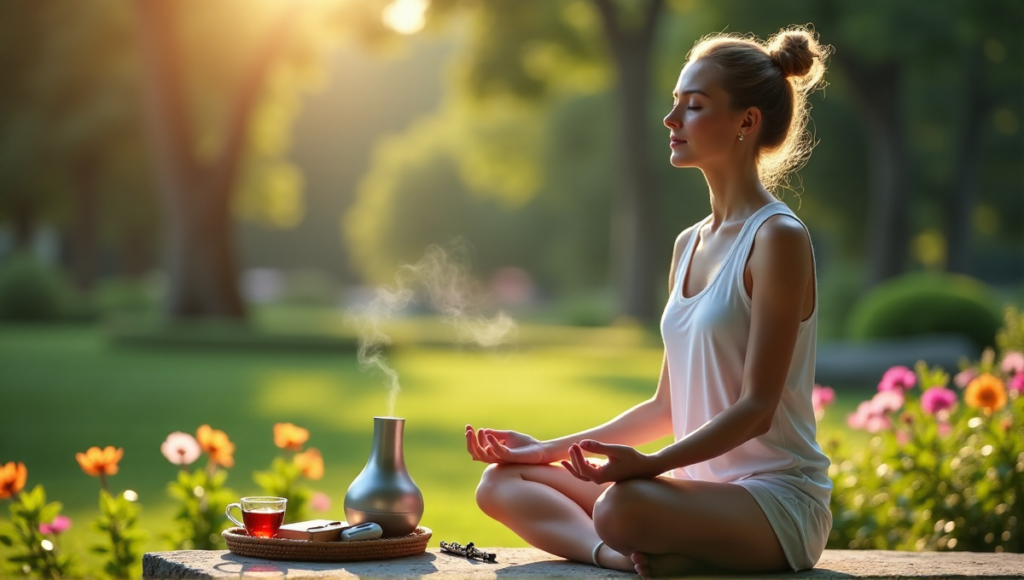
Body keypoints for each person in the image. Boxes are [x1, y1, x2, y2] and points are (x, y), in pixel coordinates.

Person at [465, 26, 833, 579]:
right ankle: (623, 558)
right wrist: (543, 451)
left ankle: (647, 544)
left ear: (746, 121)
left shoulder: (777, 238)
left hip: (774, 503)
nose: (672, 120)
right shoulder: (689, 244)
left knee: (621, 504)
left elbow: (757, 408)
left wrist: (654, 465)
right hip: (690, 495)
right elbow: (665, 405)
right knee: (502, 482)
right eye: (674, 104)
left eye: (694, 106)